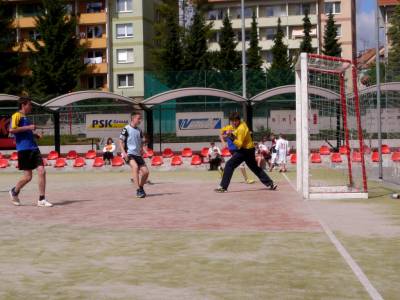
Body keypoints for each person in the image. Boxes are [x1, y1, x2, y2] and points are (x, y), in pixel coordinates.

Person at [215, 112, 277, 192]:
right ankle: (270, 184)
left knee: (229, 165)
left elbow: (239, 144)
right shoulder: (238, 125)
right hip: (249, 150)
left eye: (235, 121)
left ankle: (223, 187)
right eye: (232, 121)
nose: (234, 123)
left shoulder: (241, 128)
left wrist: (230, 136)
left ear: (238, 120)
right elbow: (226, 130)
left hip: (244, 150)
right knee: (255, 168)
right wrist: (227, 133)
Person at [8, 97, 53, 207]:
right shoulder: (16, 116)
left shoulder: (25, 118)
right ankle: (14, 191)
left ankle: (41, 199)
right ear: (23, 105)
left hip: (34, 148)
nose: (31, 107)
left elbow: (25, 132)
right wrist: (29, 127)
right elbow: (12, 130)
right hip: (23, 150)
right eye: (30, 105)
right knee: (28, 177)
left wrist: (35, 135)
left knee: (42, 171)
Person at [119, 111, 149, 198]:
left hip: (137, 155)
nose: (140, 120)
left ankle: (141, 187)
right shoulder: (126, 128)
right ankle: (138, 190)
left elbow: (141, 144)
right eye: (138, 118)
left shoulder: (139, 130)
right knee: (135, 167)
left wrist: (146, 151)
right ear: (133, 118)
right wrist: (124, 153)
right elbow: (120, 141)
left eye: (141, 119)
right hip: (128, 154)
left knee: (146, 172)